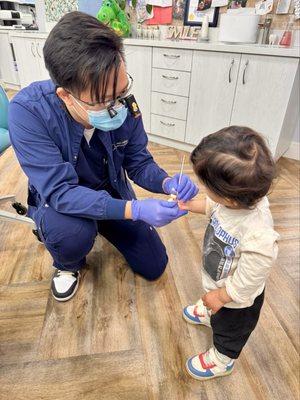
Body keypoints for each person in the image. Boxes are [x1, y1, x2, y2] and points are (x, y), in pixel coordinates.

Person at [8, 11, 198, 302]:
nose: (117, 106)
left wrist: (167, 182)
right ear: (65, 96)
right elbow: (61, 192)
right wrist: (135, 210)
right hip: (63, 202)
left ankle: (99, 223)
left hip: (110, 191)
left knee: (154, 263)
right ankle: (66, 264)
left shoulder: (123, 103)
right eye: (103, 100)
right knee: (71, 234)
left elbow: (138, 160)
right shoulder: (28, 112)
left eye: (122, 91)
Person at [179, 126, 279, 380]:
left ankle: (222, 360)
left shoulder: (259, 235)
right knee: (214, 303)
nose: (202, 188)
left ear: (231, 199)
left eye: (205, 186)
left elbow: (249, 280)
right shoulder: (233, 200)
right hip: (219, 281)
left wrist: (223, 296)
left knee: (229, 331)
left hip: (238, 300)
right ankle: (212, 309)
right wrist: (189, 205)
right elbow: (212, 205)